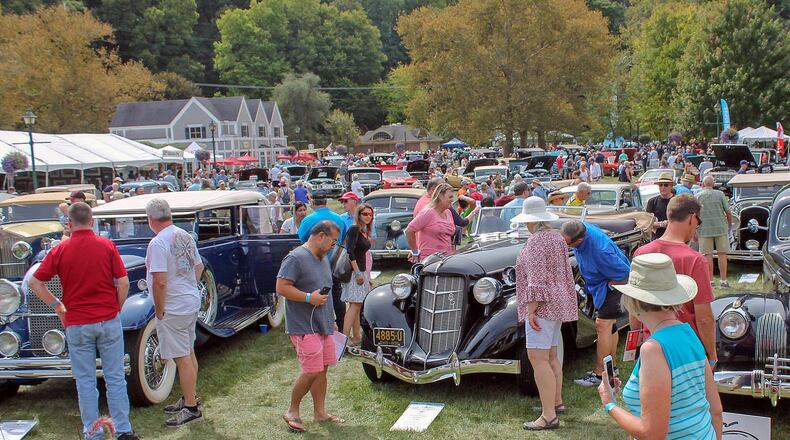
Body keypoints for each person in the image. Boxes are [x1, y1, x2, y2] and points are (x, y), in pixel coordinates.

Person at [27, 203, 138, 440]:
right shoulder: (106, 245)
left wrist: (57, 306)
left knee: (85, 381)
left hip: (76, 321)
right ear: (91, 220)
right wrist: (116, 307)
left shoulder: (60, 250)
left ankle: (93, 432)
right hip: (107, 318)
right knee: (115, 377)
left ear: (69, 222)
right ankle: (123, 429)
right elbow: (123, 282)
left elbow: (34, 283)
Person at [598, 253, 723, 440]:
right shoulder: (689, 334)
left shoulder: (653, 349)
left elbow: (652, 433)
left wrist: (609, 404)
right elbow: (716, 410)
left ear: (634, 301)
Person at [512, 198, 577, 431]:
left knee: (538, 359)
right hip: (558, 301)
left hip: (543, 306)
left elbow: (537, 279)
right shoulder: (556, 237)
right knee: (550, 357)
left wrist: (531, 309)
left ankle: (548, 415)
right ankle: (556, 402)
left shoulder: (537, 242)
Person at [632, 194, 717, 366]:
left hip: (652, 344)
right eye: (698, 224)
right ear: (692, 218)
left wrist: (634, 343)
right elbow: (704, 318)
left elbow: (634, 308)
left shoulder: (641, 253)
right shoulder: (695, 260)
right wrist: (712, 354)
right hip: (686, 349)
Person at [277, 221, 344, 434]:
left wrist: (331, 319)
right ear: (320, 236)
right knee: (311, 370)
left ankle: (320, 413)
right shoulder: (295, 258)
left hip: (323, 324)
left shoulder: (323, 258)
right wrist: (308, 297)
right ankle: (292, 411)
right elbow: (281, 287)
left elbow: (327, 291)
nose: (334, 245)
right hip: (303, 326)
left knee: (321, 370)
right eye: (333, 241)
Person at [145, 199, 205, 427]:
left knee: (182, 357)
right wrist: (189, 287)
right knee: (188, 353)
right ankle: (190, 397)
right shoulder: (185, 235)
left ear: (151, 219)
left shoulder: (158, 243)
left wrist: (159, 309)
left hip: (173, 305)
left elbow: (159, 282)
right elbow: (198, 267)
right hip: (189, 300)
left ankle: (191, 407)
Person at [560, 220, 630, 387]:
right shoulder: (580, 227)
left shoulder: (601, 251)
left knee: (602, 325)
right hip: (600, 285)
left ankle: (600, 375)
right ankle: (611, 369)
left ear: (579, 240)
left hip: (611, 286)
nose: (565, 246)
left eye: (567, 244)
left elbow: (625, 274)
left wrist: (610, 286)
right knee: (610, 326)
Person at [297, 197, 348, 330]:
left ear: (313, 203)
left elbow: (300, 239)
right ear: (326, 202)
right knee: (337, 295)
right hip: (335, 263)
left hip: (314, 263)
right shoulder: (339, 218)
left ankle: (318, 325)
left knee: (318, 295)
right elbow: (342, 240)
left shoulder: (308, 220)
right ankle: (341, 326)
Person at [341, 204, 374, 346]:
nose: (368, 216)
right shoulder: (354, 229)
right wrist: (358, 273)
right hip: (356, 272)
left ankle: (356, 336)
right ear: (358, 215)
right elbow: (350, 252)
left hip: (362, 271)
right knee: (354, 305)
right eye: (365, 214)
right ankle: (343, 339)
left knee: (357, 305)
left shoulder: (364, 230)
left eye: (370, 214)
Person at [406, 183, 457, 263]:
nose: (452, 200)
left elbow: (450, 236)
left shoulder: (448, 212)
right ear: (440, 196)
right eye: (450, 197)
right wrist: (415, 252)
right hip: (430, 260)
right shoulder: (428, 212)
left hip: (447, 259)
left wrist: (453, 253)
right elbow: (409, 230)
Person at [696, 176, 732, 287]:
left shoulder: (697, 196)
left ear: (702, 184)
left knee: (707, 255)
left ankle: (710, 281)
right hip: (720, 227)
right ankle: (723, 280)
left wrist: (694, 230)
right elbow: (728, 211)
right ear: (713, 184)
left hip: (704, 228)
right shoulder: (720, 194)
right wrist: (729, 224)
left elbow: (695, 215)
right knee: (722, 254)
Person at [645, 172, 674, 239]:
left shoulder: (678, 201)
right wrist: (662, 224)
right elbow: (647, 223)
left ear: (671, 186)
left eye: (666, 185)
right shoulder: (652, 202)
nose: (663, 187)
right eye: (660, 185)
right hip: (657, 238)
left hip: (674, 238)